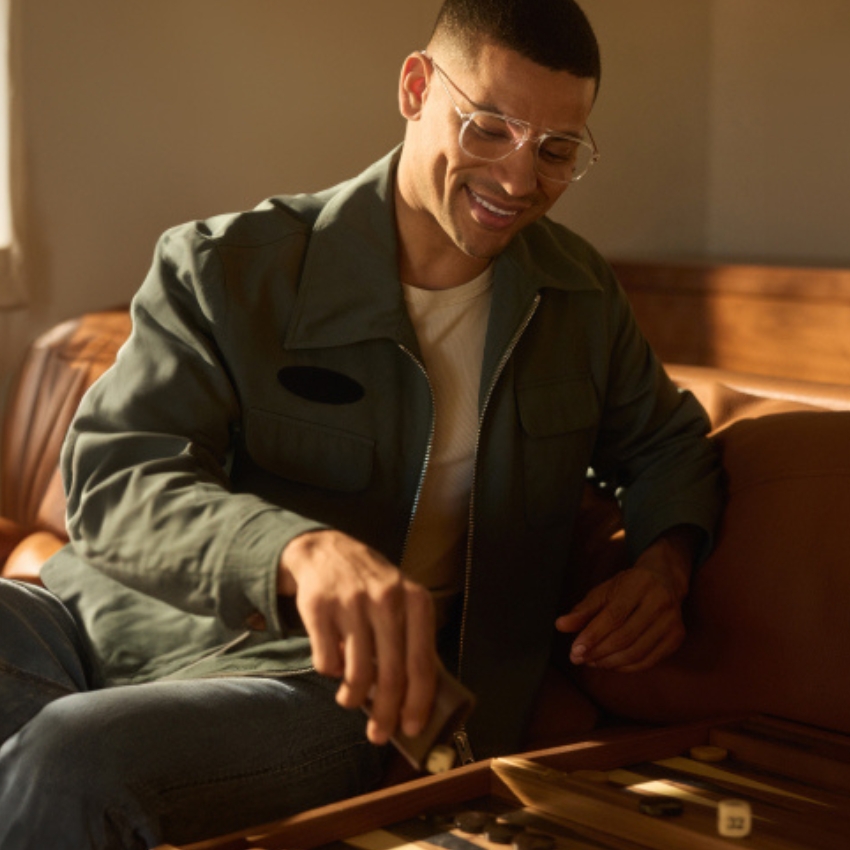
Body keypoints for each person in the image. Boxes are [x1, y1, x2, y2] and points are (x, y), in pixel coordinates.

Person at [0, 0, 722, 847]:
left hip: (335, 687)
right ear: (416, 89)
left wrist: (665, 566)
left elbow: (671, 446)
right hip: (97, 620)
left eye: (556, 150)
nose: (519, 180)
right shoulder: (223, 266)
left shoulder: (581, 300)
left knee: (73, 757)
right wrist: (299, 552)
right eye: (489, 128)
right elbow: (116, 479)